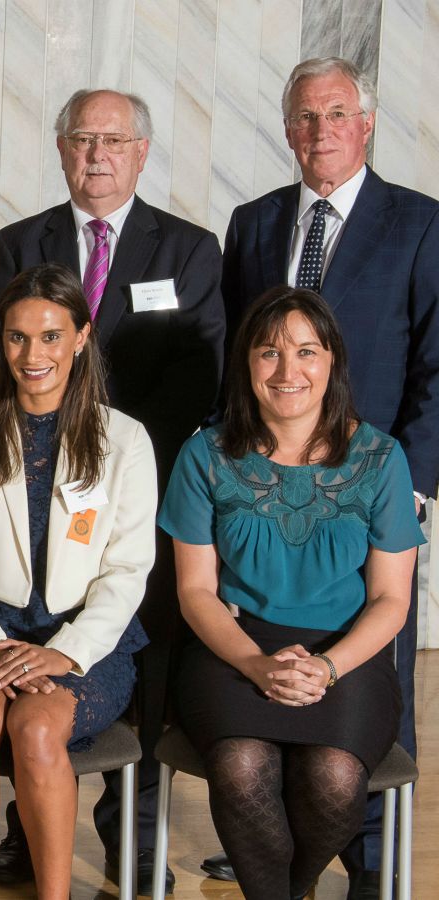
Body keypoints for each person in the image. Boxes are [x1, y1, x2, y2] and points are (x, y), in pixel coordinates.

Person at [0, 88, 224, 889]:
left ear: (142, 152)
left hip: (131, 495)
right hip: (28, 483)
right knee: (26, 649)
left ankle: (131, 842)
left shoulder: (188, 248)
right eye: (82, 139)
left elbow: (201, 373)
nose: (98, 155)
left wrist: (110, 457)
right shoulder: (19, 240)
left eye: (114, 140)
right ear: (60, 148)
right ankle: (24, 831)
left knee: (132, 671)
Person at [219, 57, 439, 895]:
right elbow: (241, 362)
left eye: (336, 114)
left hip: (375, 491)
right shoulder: (255, 221)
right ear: (287, 131)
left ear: (368, 123)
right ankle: (273, 838)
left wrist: (408, 483)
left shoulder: (420, 224)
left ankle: (371, 856)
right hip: (264, 487)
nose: (320, 132)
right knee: (264, 653)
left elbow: (437, 366)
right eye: (304, 118)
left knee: (375, 662)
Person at [159, 287, 421, 899]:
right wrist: (254, 662)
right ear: (245, 364)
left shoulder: (381, 457)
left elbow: (391, 600)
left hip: (347, 653)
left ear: (332, 363)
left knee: (332, 777)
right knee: (242, 764)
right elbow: (195, 590)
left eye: (307, 351)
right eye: (268, 352)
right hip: (232, 646)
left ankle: (286, 889)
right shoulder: (205, 455)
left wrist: (327, 668)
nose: (288, 370)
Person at [0, 263, 154, 900]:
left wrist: (65, 651)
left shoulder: (126, 440)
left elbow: (128, 569)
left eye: (51, 336)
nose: (33, 354)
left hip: (85, 641)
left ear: (81, 336)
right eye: (18, 337)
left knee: (36, 726)